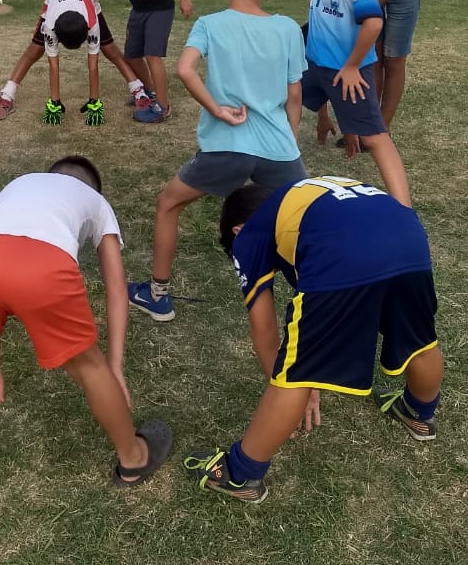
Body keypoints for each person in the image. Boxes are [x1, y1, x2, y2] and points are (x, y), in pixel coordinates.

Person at [183, 176, 444, 504]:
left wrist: (302, 385)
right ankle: (419, 413)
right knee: (420, 339)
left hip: (344, 253)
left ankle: (241, 474)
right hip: (409, 237)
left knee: (296, 373)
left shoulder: (249, 234)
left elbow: (264, 331)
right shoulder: (302, 196)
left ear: (238, 231)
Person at [0, 156, 173, 485]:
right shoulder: (97, 202)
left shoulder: (20, 183)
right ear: (92, 188)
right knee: (89, 367)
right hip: (45, 265)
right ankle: (134, 458)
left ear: (50, 175)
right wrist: (114, 364)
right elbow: (115, 287)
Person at [126, 0, 307, 322]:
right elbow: (294, 96)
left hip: (227, 146)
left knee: (168, 204)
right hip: (279, 148)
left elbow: (185, 69)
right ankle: (316, 297)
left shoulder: (209, 24)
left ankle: (158, 295)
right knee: (303, 218)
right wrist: (290, 139)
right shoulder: (288, 28)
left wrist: (216, 110)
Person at [301, 0, 411, 206]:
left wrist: (351, 67)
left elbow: (373, 23)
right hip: (315, 64)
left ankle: (404, 209)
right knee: (281, 101)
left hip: (344, 72)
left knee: (375, 138)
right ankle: (274, 180)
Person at [0, 0, 153, 125]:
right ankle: (7, 96)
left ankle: (139, 92)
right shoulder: (50, 26)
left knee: (109, 49)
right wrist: (55, 103)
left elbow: (93, 65)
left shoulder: (91, 23)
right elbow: (53, 65)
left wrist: (94, 102)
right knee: (35, 50)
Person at [316, 0, 421, 150]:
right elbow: (320, 68)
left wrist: (350, 128)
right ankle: (368, 127)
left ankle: (381, 131)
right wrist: (323, 117)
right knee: (374, 59)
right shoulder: (323, 18)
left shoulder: (346, 13)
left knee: (393, 59)